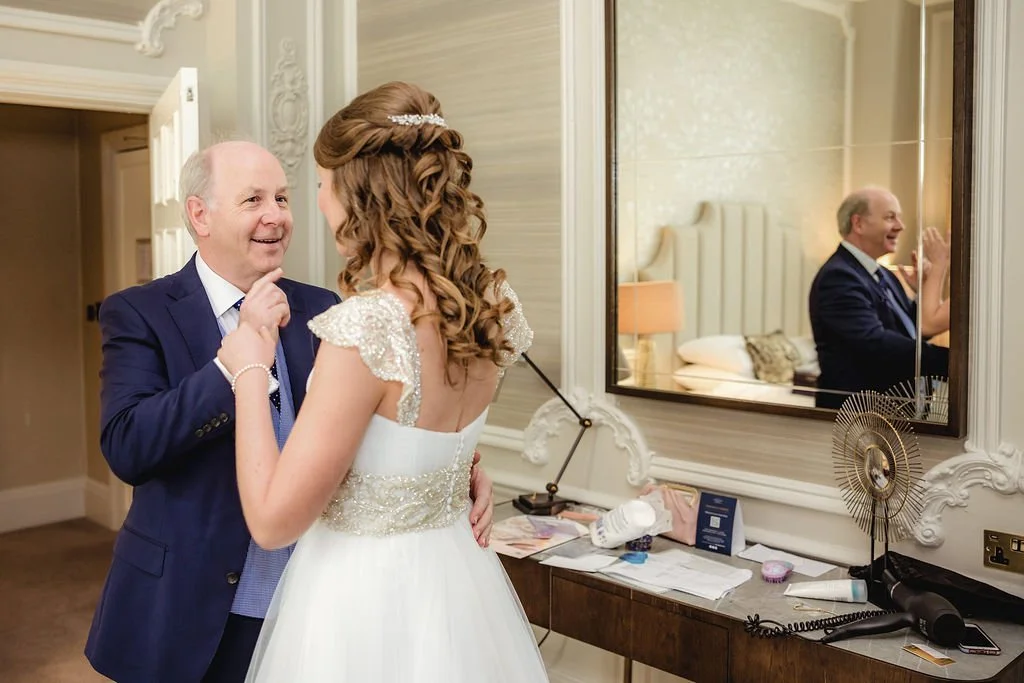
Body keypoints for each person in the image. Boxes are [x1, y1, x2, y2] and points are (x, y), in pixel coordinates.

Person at [84, 138, 497, 683]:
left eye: (282, 198)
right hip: (188, 604)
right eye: (253, 200)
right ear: (199, 214)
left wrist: (459, 465)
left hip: (312, 598)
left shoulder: (324, 307)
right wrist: (230, 371)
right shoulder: (140, 311)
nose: (276, 216)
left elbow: (368, 419)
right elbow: (128, 446)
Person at [216, 81, 549, 682]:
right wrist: (464, 472)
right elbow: (425, 446)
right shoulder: (495, 305)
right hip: (456, 579)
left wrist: (247, 366)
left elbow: (271, 522)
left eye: (319, 185)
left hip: (364, 596)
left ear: (356, 192)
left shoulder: (368, 327)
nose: (315, 203)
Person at [808, 186, 949, 409]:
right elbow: (875, 343)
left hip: (892, 415)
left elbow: (915, 330)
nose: (900, 226)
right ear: (858, 224)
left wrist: (923, 292)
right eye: (890, 217)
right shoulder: (839, 276)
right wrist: (950, 362)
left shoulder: (883, 274)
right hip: (859, 419)